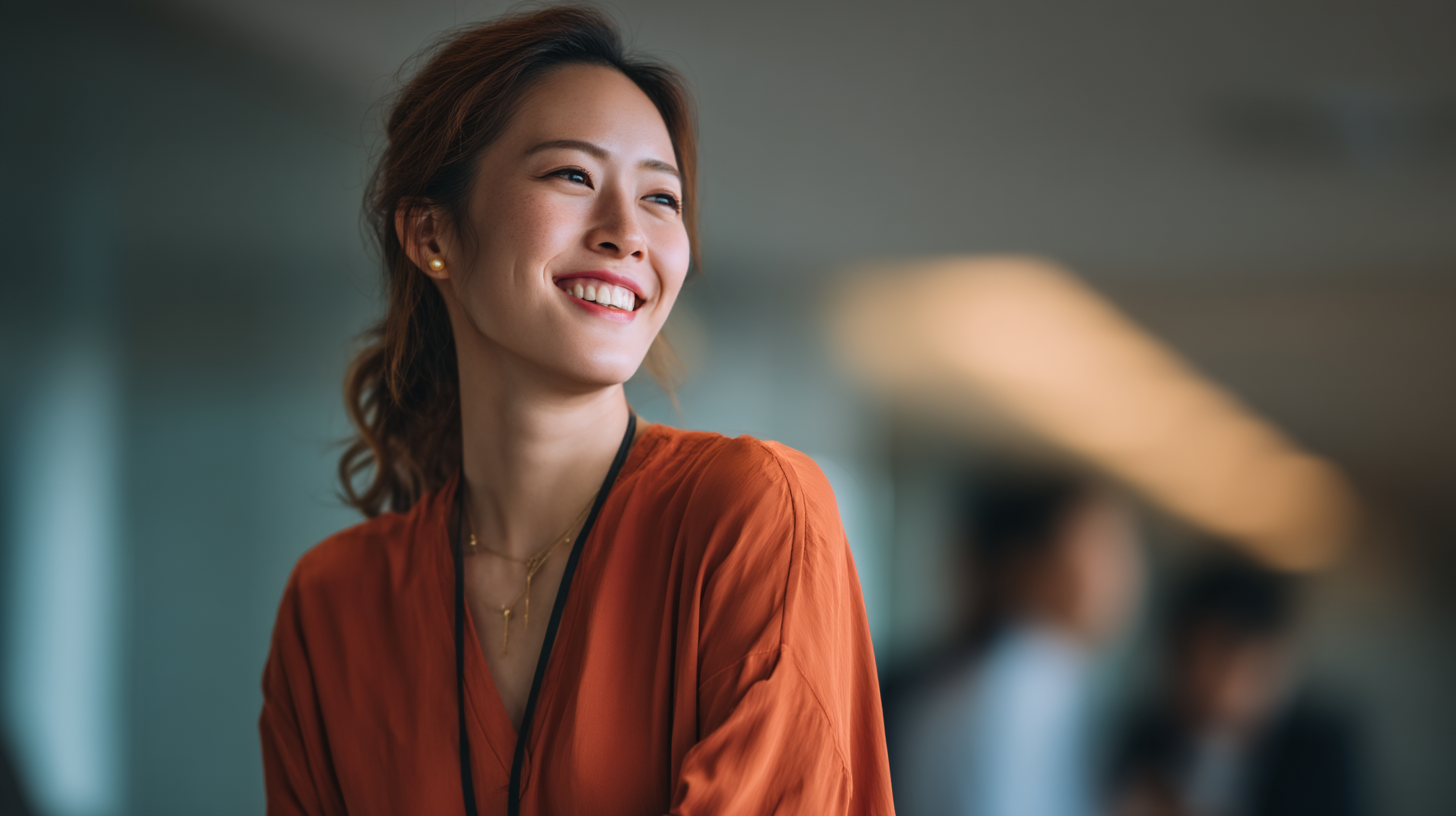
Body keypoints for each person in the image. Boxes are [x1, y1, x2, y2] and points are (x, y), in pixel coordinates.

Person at [256, 8, 893, 815]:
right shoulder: (333, 606)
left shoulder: (752, 513)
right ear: (430, 233)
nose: (628, 234)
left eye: (661, 197)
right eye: (573, 176)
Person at [886, 470, 1142, 816]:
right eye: (1101, 547)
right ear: (1030, 565)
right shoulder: (1014, 694)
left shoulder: (1045, 683)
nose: (1128, 574)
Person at [1110, 553, 1365, 816]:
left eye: (1241, 665)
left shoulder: (1318, 751)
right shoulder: (1147, 739)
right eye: (1197, 663)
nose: (1221, 689)